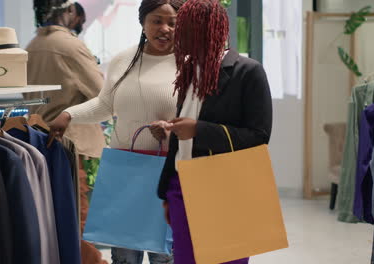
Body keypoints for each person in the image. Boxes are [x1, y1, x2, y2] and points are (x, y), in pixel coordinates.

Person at [49, 0, 184, 263]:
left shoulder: (189, 63)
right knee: (124, 256)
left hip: (168, 172)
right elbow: (105, 104)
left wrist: (172, 130)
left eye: (173, 23)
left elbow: (197, 114)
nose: (164, 28)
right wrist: (69, 114)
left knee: (163, 255)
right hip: (125, 170)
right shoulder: (124, 60)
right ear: (143, 23)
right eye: (157, 20)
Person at [153, 0, 273, 263]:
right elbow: (178, 139)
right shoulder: (189, 72)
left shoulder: (248, 72)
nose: (179, 36)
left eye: (186, 30)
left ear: (209, 31)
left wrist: (199, 130)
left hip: (227, 188)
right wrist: (166, 192)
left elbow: (259, 136)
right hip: (182, 187)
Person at [26, 1, 108, 264]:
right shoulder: (70, 46)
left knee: (54, 220)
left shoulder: (32, 46)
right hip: (73, 144)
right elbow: (104, 95)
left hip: (37, 142)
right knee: (78, 219)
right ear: (69, 11)